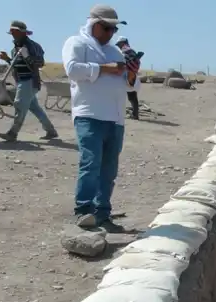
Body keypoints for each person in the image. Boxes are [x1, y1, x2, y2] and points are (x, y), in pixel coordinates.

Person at [62, 5, 130, 232]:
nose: (111, 33)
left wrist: (131, 74)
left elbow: (131, 85)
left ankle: (103, 214)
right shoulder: (76, 43)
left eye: (114, 29)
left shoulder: (115, 52)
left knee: (109, 170)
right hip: (89, 114)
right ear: (94, 24)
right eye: (107, 28)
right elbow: (72, 69)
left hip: (116, 118)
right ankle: (84, 211)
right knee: (90, 163)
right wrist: (103, 68)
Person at [0, 21, 58, 142]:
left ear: (22, 32)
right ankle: (51, 131)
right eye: (12, 32)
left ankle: (13, 133)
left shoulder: (33, 46)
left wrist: (27, 56)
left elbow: (40, 63)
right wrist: (8, 59)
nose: (13, 34)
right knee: (35, 108)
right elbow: (15, 65)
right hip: (21, 81)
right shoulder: (15, 49)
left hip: (29, 80)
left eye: (15, 31)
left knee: (19, 104)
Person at [115, 36, 142, 120]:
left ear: (123, 43)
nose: (118, 46)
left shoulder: (124, 50)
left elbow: (122, 62)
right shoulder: (132, 51)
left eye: (119, 44)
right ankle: (135, 114)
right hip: (133, 76)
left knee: (119, 95)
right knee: (133, 96)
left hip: (125, 76)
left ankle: (118, 113)